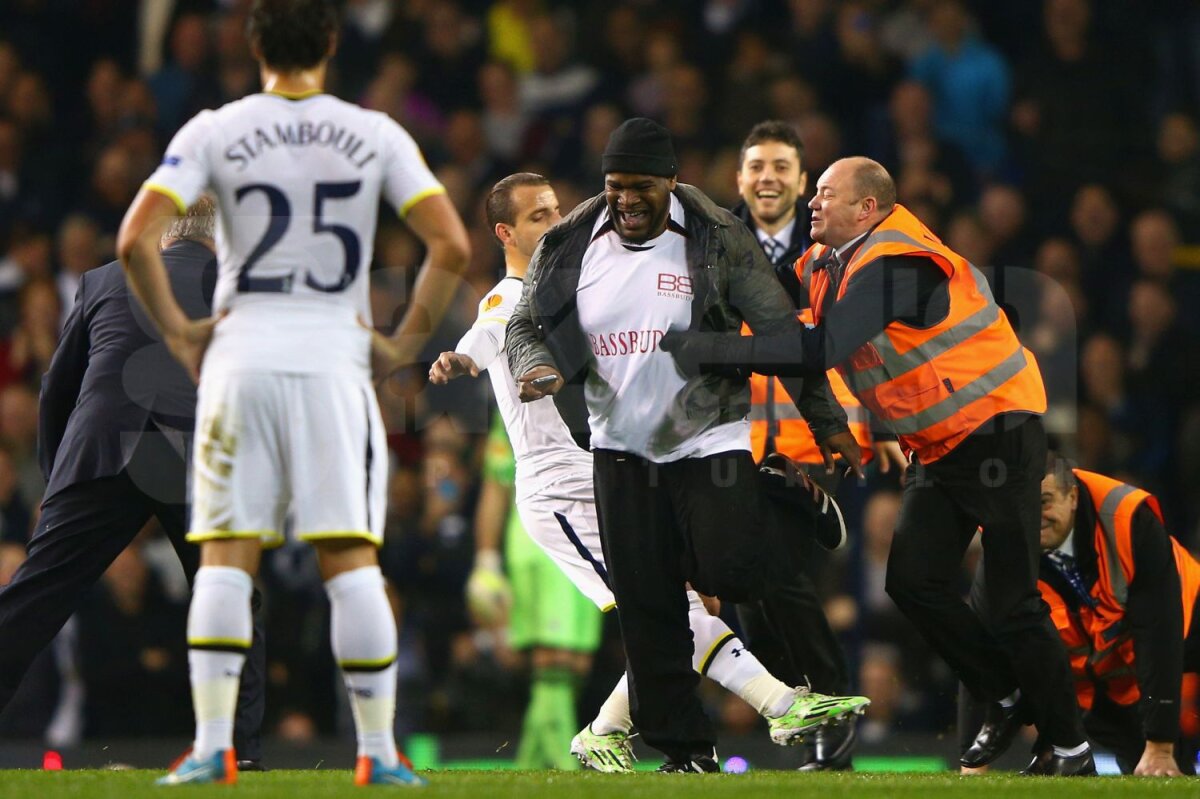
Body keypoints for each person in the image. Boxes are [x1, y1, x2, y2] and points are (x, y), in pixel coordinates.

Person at [116, 0, 470, 786]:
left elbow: (134, 235)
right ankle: (377, 751)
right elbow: (450, 243)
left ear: (254, 44)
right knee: (350, 555)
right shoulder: (375, 132)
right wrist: (402, 342)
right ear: (332, 43)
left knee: (225, 555)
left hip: (241, 355)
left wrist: (180, 331)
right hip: (333, 359)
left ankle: (212, 747)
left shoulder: (216, 129)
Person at [660, 157, 1095, 775]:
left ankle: (1071, 749)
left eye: (826, 194)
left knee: (1012, 603)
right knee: (913, 583)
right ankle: (1003, 694)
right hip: (940, 446)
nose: (813, 202)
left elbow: (820, 348)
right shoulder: (827, 262)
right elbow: (762, 292)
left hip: (998, 432)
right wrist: (696, 250)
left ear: (867, 208)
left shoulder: (898, 265)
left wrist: (710, 350)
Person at [433, 171, 868, 772]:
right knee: (673, 613)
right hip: (562, 493)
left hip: (618, 470)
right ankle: (780, 703)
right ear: (504, 233)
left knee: (685, 608)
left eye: (556, 209)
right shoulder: (511, 297)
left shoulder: (579, 283)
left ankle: (605, 730)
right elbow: (489, 333)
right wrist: (460, 359)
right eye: (538, 217)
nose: (555, 223)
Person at [0, 198, 267, 768]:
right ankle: (235, 750)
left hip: (101, 445)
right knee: (230, 591)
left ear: (165, 234)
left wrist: (56, 476)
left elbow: (56, 387)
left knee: (36, 595)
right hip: (192, 453)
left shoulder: (104, 280)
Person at [731, 120, 907, 771]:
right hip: (738, 448)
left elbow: (869, 336)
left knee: (777, 574)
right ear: (739, 179)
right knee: (751, 597)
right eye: (757, 165)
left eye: (781, 165)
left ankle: (831, 715)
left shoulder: (830, 244)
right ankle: (807, 709)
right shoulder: (713, 251)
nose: (768, 177)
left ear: (803, 181)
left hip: (815, 445)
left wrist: (882, 422)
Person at [961, 453, 1200, 776]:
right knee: (1158, 778)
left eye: (1044, 502)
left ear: (1072, 497)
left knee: (1158, 755)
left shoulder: (1128, 519)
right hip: (1107, 673)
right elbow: (980, 654)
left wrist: (1160, 744)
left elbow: (1159, 633)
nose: (1033, 516)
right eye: (1023, 505)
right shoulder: (1003, 546)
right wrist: (973, 762)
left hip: (1186, 618)